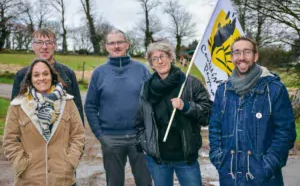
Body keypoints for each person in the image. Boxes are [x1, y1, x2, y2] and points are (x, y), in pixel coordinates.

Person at [209, 37, 296, 186]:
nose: (241, 57)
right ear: (231, 57)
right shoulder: (222, 91)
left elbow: (285, 132)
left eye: (247, 52)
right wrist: (219, 159)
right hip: (230, 177)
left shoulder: (274, 89)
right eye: (237, 52)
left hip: (265, 179)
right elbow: (215, 128)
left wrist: (267, 166)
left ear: (255, 56)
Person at [135, 41, 212, 186]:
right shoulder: (146, 88)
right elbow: (140, 119)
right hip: (158, 159)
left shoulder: (190, 83)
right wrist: (144, 144)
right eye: (155, 59)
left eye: (163, 56)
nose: (160, 61)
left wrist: (186, 106)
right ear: (151, 65)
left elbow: (207, 114)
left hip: (185, 158)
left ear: (171, 57)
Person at [84, 29, 152, 186]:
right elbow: (90, 106)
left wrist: (148, 132)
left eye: (120, 42)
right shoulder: (99, 73)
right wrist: (101, 135)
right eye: (112, 43)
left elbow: (152, 103)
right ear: (106, 47)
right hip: (111, 139)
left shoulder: (141, 70)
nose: (116, 46)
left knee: (145, 181)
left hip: (139, 138)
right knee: (114, 183)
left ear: (127, 44)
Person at [3, 59, 85, 186]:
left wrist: (70, 161)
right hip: (29, 179)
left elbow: (78, 134)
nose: (41, 78)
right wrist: (21, 164)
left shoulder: (67, 102)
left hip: (63, 178)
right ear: (30, 78)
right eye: (36, 75)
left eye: (45, 74)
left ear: (52, 76)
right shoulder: (17, 106)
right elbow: (9, 140)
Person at [11, 28, 84, 125]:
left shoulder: (68, 73)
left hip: (62, 134)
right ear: (33, 46)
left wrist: (80, 135)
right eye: (39, 42)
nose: (44, 47)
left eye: (49, 42)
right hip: (30, 135)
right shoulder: (21, 75)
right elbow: (14, 111)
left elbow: (77, 108)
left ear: (55, 46)